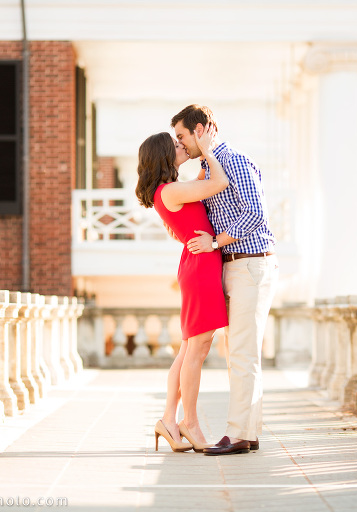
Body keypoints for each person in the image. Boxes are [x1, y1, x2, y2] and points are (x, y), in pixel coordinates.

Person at [171, 104, 279, 456]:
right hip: (233, 267)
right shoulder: (208, 168)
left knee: (243, 354)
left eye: (183, 136)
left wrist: (216, 242)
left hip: (250, 264)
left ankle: (236, 435)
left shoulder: (232, 160)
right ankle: (249, 431)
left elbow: (256, 213)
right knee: (242, 354)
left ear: (200, 130)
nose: (181, 144)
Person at [134, 126, 229, 453]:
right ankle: (191, 423)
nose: (182, 146)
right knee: (197, 350)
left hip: (197, 263)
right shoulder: (171, 190)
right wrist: (208, 150)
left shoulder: (168, 191)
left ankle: (168, 421)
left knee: (190, 349)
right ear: (164, 155)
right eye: (176, 144)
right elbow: (219, 183)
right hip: (200, 267)